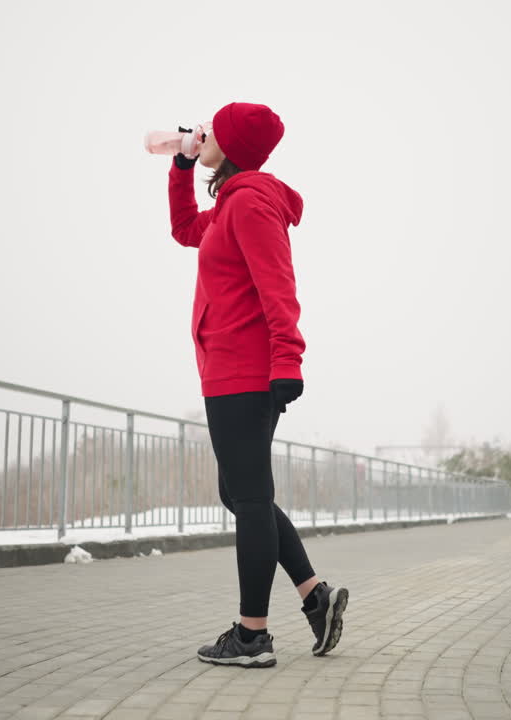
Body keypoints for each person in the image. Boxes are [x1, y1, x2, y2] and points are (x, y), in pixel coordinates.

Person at [167, 102, 348, 668]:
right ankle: (314, 596)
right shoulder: (227, 205)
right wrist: (179, 168)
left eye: (214, 129)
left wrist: (287, 363)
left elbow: (279, 286)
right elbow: (182, 230)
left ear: (235, 145)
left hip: (245, 372)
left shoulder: (248, 204)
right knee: (242, 495)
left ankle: (252, 636)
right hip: (225, 368)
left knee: (248, 498)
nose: (206, 133)